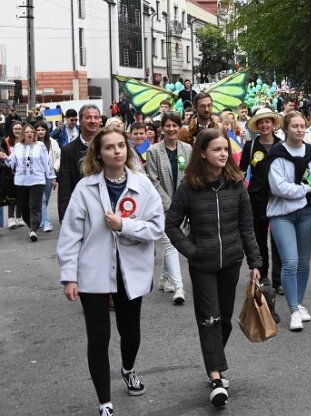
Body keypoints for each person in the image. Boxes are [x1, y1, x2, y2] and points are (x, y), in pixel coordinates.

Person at [57, 127, 165, 416]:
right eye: (109, 147)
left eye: (121, 146)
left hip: (131, 272)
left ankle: (128, 369)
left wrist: (124, 225)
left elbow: (157, 227)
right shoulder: (85, 188)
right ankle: (105, 402)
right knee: (98, 336)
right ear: (99, 154)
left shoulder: (142, 185)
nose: (117, 151)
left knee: (130, 332)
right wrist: (69, 276)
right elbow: (70, 235)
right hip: (93, 272)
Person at [165, 128, 262, 408]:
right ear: (203, 154)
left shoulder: (236, 185)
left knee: (225, 320)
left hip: (231, 261)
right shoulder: (188, 188)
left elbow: (247, 226)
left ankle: (214, 362)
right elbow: (171, 225)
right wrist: (192, 252)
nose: (223, 154)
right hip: (203, 265)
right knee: (210, 319)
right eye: (217, 150)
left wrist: (255, 262)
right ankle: (217, 378)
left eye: (224, 149)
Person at [267, 111, 311, 331]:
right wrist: (308, 188)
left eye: (303, 126)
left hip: (306, 213)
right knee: (290, 262)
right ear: (286, 129)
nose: (299, 130)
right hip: (282, 214)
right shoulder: (277, 153)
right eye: (295, 126)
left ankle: (298, 304)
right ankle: (293, 309)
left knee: (303, 262)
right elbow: (278, 188)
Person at [145, 112, 191, 305]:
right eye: (168, 126)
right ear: (161, 128)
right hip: (162, 206)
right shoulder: (153, 151)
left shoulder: (187, 148)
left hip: (183, 205)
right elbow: (153, 180)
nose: (171, 129)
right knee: (171, 244)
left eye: (175, 125)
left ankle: (164, 278)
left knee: (170, 243)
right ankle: (179, 287)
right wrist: (169, 204)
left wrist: (183, 203)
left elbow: (189, 175)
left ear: (179, 127)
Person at [239, 108, 284, 295]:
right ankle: (263, 275)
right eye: (261, 122)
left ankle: (279, 279)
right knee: (259, 240)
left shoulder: (282, 145)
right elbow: (240, 173)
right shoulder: (250, 146)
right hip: (256, 200)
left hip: (279, 199)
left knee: (279, 240)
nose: (265, 125)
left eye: (268, 121)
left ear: (273, 124)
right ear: (256, 126)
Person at [0, 123, 56, 241]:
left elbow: (47, 162)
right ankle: (31, 225)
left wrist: (52, 177)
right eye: (27, 132)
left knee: (35, 206)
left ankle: (33, 229)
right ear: (23, 134)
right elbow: (12, 162)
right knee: (24, 207)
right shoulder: (18, 146)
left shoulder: (40, 145)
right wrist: (6, 158)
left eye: (31, 132)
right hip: (21, 181)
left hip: (37, 180)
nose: (30, 134)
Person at [35, 121, 60, 232]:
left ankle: (40, 218)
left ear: (46, 130)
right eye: (38, 130)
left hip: (50, 174)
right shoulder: (32, 143)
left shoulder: (53, 142)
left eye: (43, 129)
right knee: (42, 198)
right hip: (37, 175)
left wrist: (54, 168)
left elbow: (59, 156)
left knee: (46, 198)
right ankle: (45, 221)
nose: (40, 132)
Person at [4, 120, 22, 228]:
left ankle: (19, 217)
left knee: (20, 195)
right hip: (10, 173)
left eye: (19, 129)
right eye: (15, 129)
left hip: (21, 173)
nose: (17, 131)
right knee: (11, 196)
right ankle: (11, 218)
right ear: (11, 130)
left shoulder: (25, 140)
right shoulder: (6, 141)